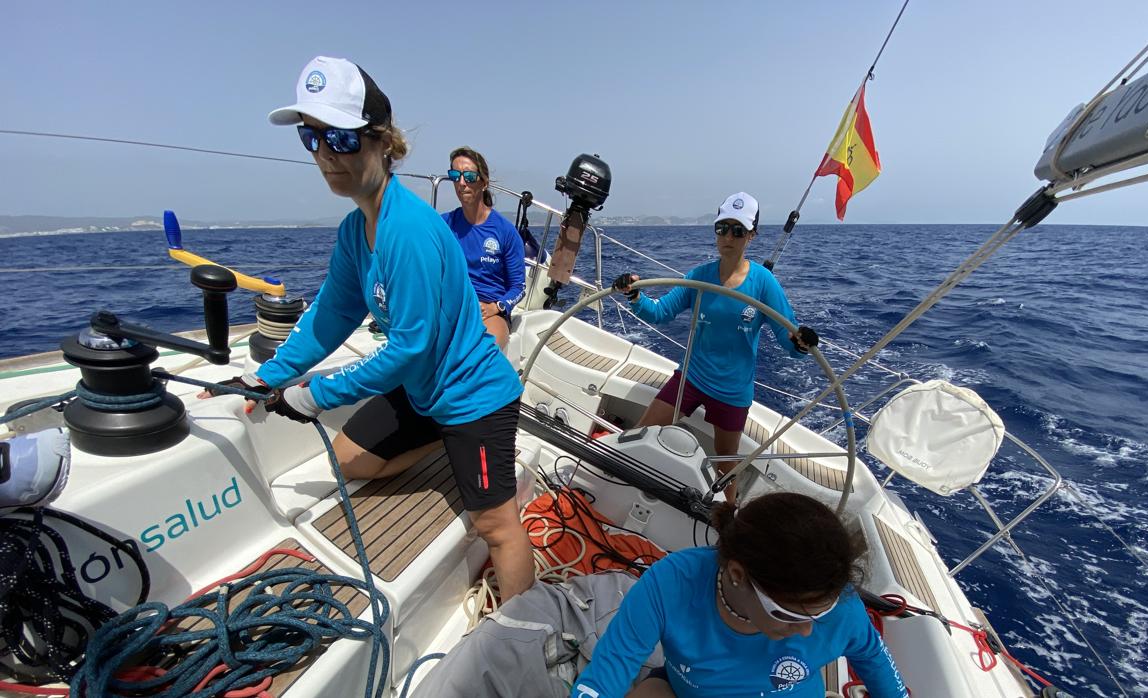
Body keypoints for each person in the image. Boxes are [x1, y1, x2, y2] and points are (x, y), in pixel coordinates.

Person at [203, 56, 533, 601]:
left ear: (383, 143)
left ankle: (526, 636)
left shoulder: (408, 231)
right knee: (349, 460)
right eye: (314, 139)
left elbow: (408, 349)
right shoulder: (357, 231)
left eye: (342, 138)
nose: (327, 156)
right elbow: (332, 314)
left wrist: (315, 394)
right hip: (424, 389)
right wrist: (270, 376)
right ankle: (441, 445)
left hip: (474, 397)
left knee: (495, 527)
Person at [570, 492, 908, 697]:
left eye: (818, 614)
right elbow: (609, 671)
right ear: (736, 575)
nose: (807, 630)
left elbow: (875, 660)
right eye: (789, 615)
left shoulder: (842, 608)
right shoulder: (672, 582)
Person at [612, 192, 819, 502]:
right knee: (639, 432)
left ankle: (727, 520)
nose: (728, 237)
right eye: (722, 228)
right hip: (692, 378)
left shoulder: (763, 283)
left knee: (725, 464)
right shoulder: (700, 277)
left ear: (752, 235)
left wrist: (801, 343)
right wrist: (635, 296)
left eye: (738, 230)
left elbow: (786, 335)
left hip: (732, 391)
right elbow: (661, 312)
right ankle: (615, 483)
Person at [441, 146, 526, 349]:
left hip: (488, 310)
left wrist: (496, 307)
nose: (461, 183)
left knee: (484, 353)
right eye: (455, 175)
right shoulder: (443, 225)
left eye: (469, 176)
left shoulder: (505, 232)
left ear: (484, 182)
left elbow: (519, 287)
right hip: (452, 306)